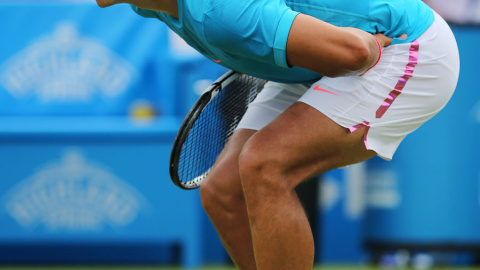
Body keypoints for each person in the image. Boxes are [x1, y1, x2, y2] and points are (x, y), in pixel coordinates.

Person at [96, 0, 460, 269]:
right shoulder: (152, 6)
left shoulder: (220, 12)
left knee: (263, 165)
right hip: (318, 62)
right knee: (223, 191)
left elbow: (356, 51)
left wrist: (362, 43)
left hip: (401, 47)